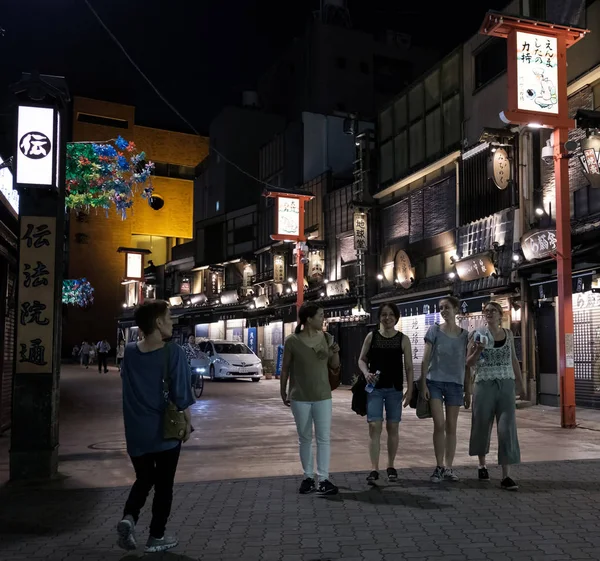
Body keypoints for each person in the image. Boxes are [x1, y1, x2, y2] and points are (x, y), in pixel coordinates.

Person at [116, 300, 195, 553]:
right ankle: (156, 537)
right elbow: (182, 395)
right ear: (158, 322)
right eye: (169, 317)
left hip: (136, 430)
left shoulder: (129, 352)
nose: (172, 321)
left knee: (144, 478)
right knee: (164, 485)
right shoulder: (173, 352)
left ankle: (129, 517)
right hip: (164, 431)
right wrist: (188, 422)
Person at [280, 302, 340, 496]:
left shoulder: (327, 338)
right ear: (309, 319)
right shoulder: (292, 341)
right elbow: (286, 368)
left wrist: (335, 352)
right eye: (320, 315)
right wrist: (283, 390)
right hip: (300, 396)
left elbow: (335, 365)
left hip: (323, 395)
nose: (323, 319)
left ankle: (323, 479)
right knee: (305, 438)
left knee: (323, 438)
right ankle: (308, 477)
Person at [466, 301, 526, 491]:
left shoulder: (508, 335)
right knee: (482, 423)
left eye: (494, 311)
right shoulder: (477, 335)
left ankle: (506, 475)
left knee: (506, 428)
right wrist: (478, 349)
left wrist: (520, 382)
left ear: (501, 315)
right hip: (484, 384)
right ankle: (482, 465)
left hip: (506, 384)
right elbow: (468, 362)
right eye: (487, 311)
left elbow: (514, 360)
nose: (489, 313)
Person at [358, 303, 413, 483]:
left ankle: (390, 465)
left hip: (395, 389)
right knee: (374, 426)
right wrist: (366, 373)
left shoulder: (403, 339)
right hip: (375, 388)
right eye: (383, 314)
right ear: (379, 317)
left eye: (391, 315)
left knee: (393, 427)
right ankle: (374, 468)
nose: (387, 318)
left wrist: (410, 389)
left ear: (396, 317)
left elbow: (409, 367)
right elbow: (361, 359)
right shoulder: (371, 337)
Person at [420, 296, 470, 483]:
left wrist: (468, 389)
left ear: (456, 309)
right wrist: (423, 383)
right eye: (441, 308)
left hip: (455, 384)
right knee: (439, 424)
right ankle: (439, 465)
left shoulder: (465, 336)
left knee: (451, 426)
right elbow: (425, 359)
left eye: (447, 307)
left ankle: (449, 467)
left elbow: (467, 365)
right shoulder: (434, 330)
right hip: (434, 382)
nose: (443, 311)